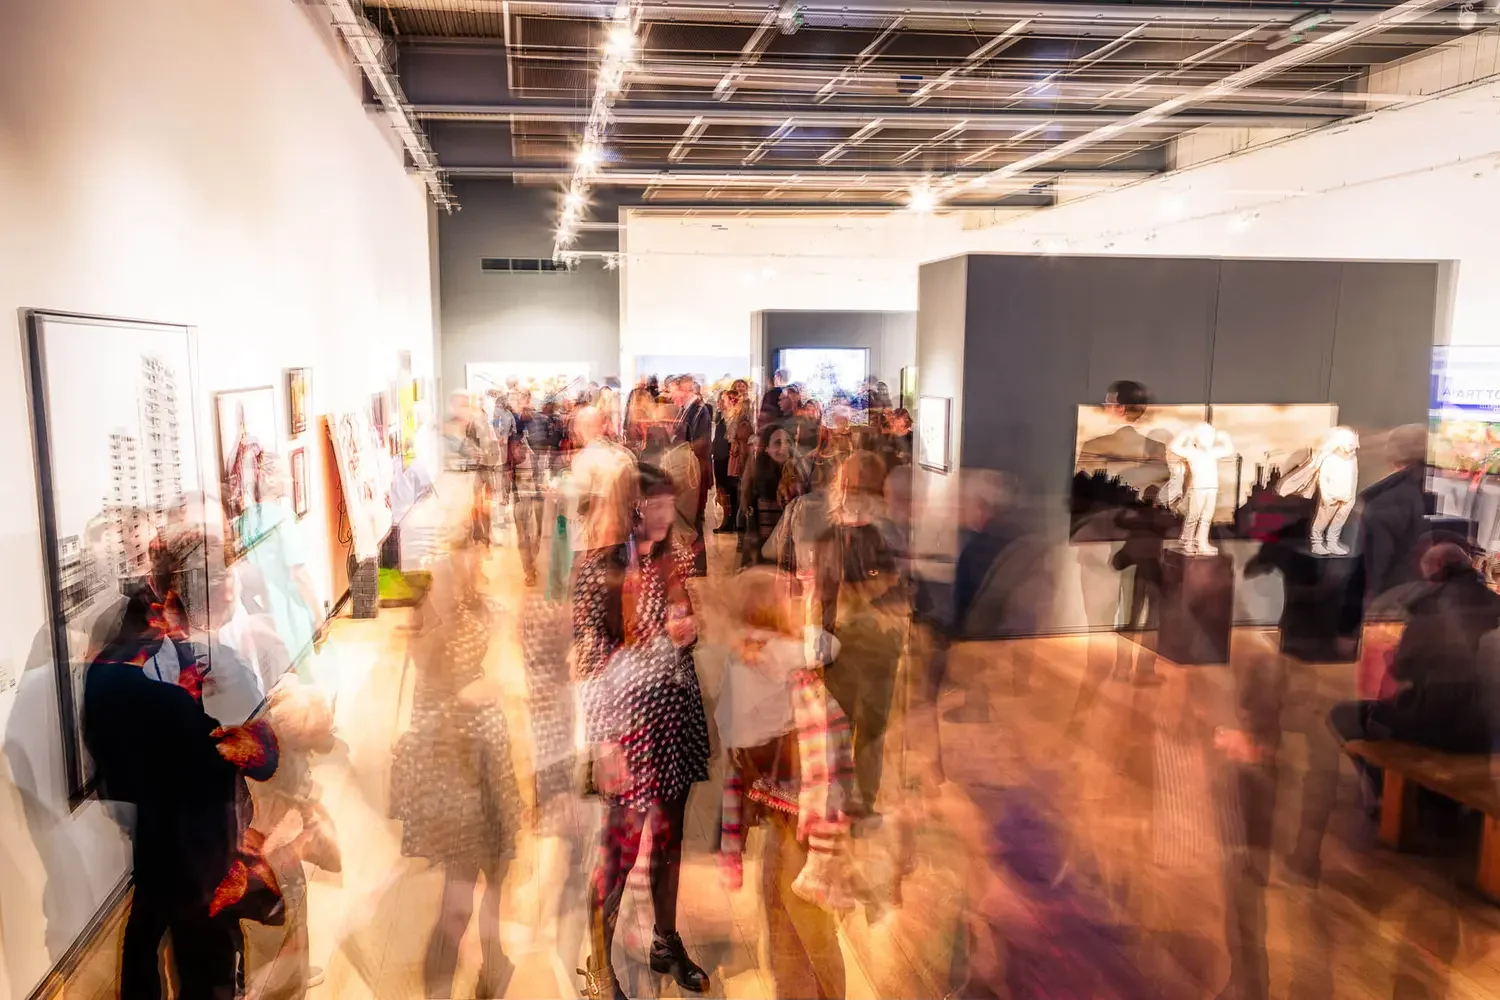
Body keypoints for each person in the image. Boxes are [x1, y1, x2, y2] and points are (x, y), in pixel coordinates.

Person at [86, 527, 282, 1000]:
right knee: (190, 947)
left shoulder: (177, 649)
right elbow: (254, 754)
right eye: (218, 582)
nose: (230, 588)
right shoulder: (141, 665)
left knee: (164, 935)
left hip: (184, 833)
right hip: (189, 840)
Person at [574, 464, 711, 1000]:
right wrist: (603, 741)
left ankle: (664, 940)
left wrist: (689, 632)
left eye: (666, 504)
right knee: (620, 850)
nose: (660, 514)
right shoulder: (597, 568)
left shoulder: (675, 559)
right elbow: (588, 657)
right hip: (625, 726)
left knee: (671, 839)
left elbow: (682, 623)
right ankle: (599, 964)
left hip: (673, 716)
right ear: (629, 507)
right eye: (650, 504)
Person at [390, 527, 521, 999]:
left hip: (486, 758)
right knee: (459, 894)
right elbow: (437, 691)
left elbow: (499, 666)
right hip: (455, 771)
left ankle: (494, 958)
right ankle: (442, 990)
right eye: (466, 552)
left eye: (477, 551)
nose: (474, 561)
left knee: (497, 868)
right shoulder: (434, 616)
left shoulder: (481, 606)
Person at [1329, 541, 1500, 795]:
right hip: (1491, 727)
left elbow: (1403, 670)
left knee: (1348, 715)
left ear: (1438, 570)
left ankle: (1385, 791)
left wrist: (1391, 658)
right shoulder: (1493, 602)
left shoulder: (1430, 608)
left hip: (1450, 725)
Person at [673, 377, 714, 575]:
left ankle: (698, 563)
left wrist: (680, 451)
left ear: (685, 389)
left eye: (675, 391)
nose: (673, 396)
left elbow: (702, 442)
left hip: (695, 467)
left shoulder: (699, 410)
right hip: (690, 465)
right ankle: (693, 562)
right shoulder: (689, 409)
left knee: (694, 514)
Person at [742, 424, 794, 567]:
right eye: (777, 443)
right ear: (766, 449)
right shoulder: (760, 482)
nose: (784, 448)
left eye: (788, 442)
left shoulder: (797, 479)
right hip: (769, 559)